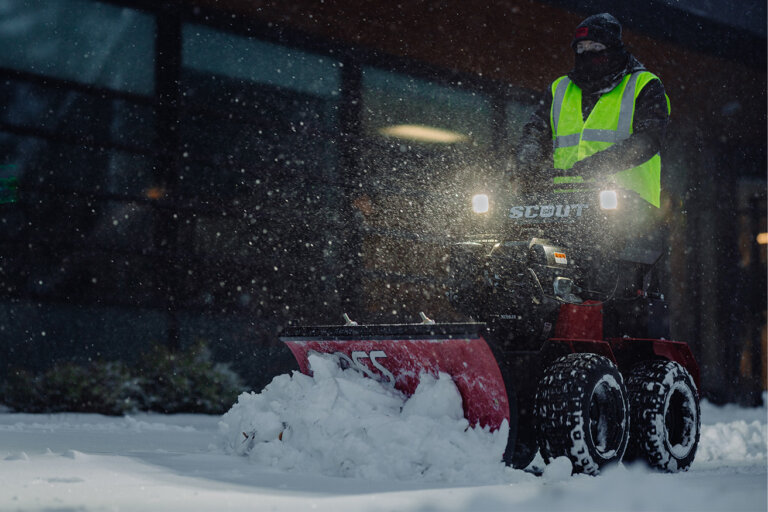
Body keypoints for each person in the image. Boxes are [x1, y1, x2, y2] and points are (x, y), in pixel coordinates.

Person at [514, 13, 670, 209]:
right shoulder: (559, 89)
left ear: (613, 49)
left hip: (631, 207)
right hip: (564, 205)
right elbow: (535, 134)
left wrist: (600, 164)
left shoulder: (644, 85)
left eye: (596, 47)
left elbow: (648, 139)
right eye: (580, 48)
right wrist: (526, 164)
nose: (587, 54)